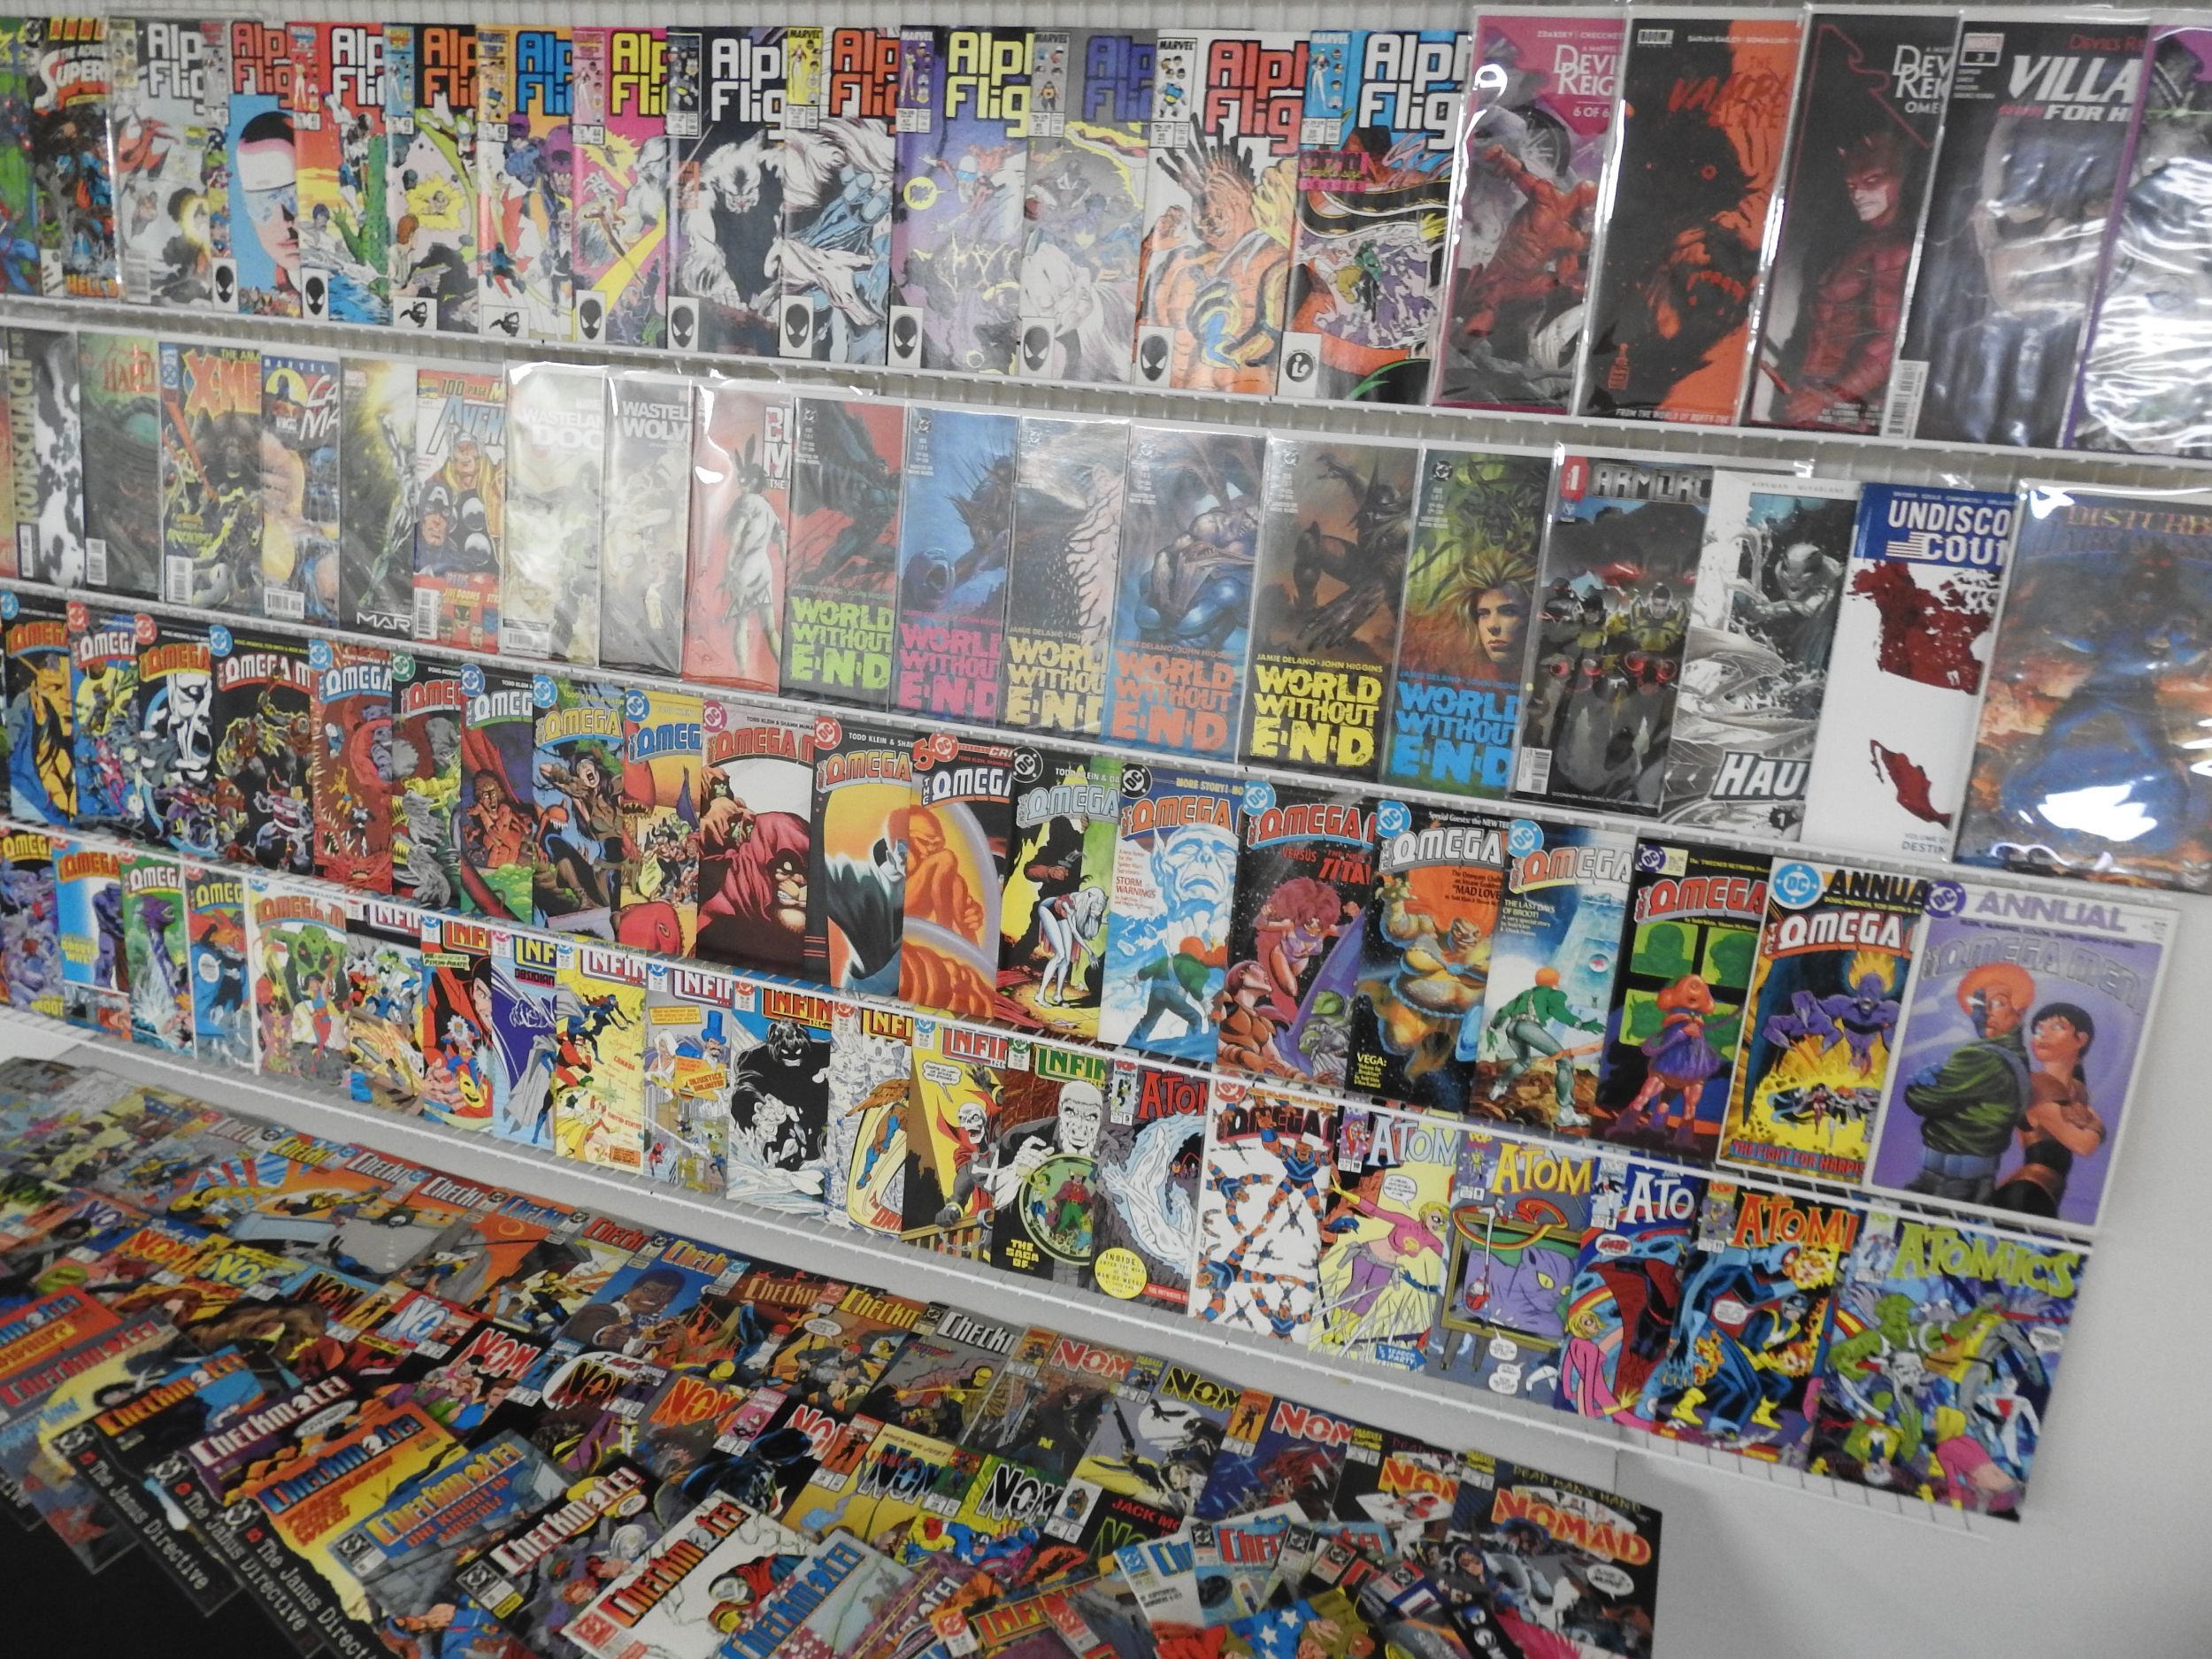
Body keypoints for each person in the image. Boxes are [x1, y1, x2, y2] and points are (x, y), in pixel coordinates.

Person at [1901, 962, 2034, 1204]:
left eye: (1998, 1003)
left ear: (2020, 1012)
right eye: (1979, 1005)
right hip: (1965, 1178)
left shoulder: (1980, 1057)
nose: (1986, 1013)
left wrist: (1917, 1086)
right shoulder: (2016, 1055)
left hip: (1951, 1183)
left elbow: (1922, 1100)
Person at [1992, 1002, 2105, 1218]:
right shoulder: (2038, 1086)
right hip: (2025, 1193)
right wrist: (2096, 1124)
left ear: (2081, 1039)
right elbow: (2083, 1145)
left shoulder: (2077, 1090)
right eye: (2038, 1030)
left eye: (2057, 1027)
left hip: (2043, 1195)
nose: (2043, 1035)